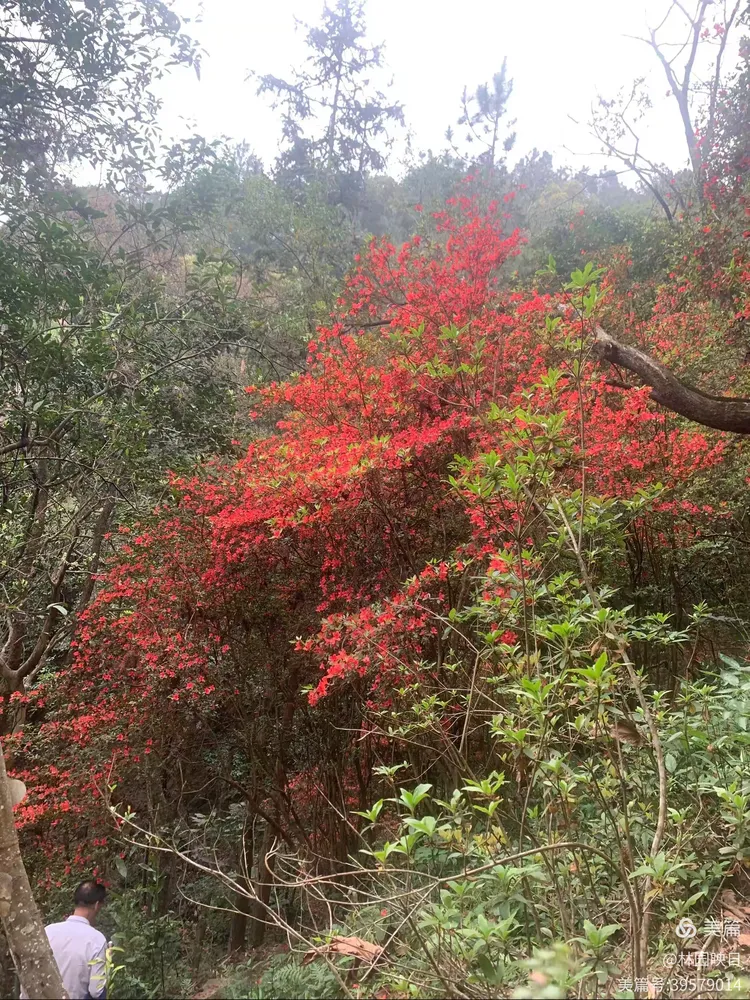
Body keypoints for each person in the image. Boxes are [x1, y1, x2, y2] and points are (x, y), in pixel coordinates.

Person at [22, 880, 108, 1000]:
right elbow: (96, 991)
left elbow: (30, 975)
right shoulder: (97, 940)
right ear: (97, 905)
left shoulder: (47, 931)